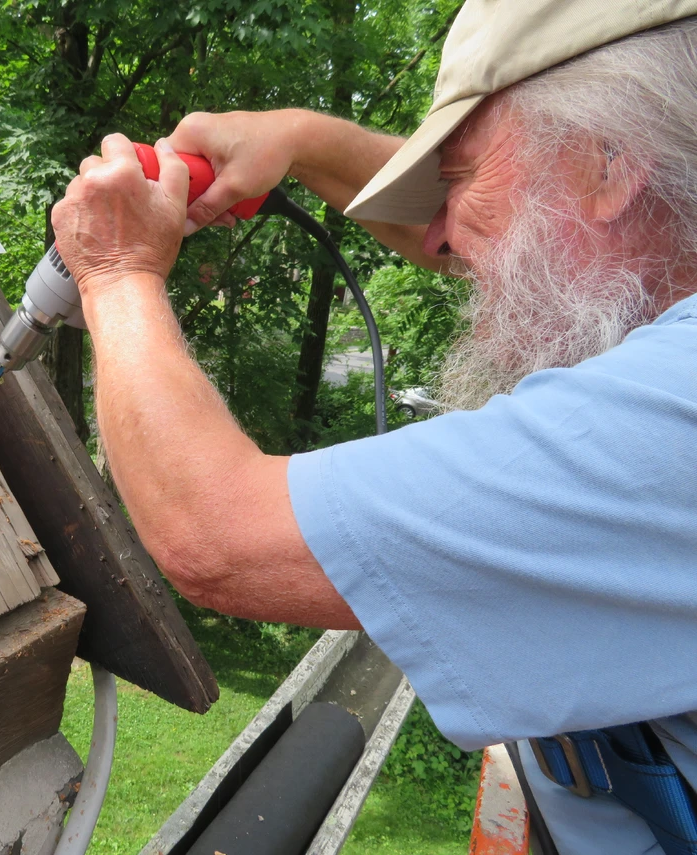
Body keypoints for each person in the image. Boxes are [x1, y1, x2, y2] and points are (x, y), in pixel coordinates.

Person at [49, 0, 697, 852]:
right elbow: (496, 224)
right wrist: (303, 138)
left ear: (610, 165)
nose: (435, 239)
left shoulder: (667, 415)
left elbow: (216, 532)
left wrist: (117, 271)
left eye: (457, 179)